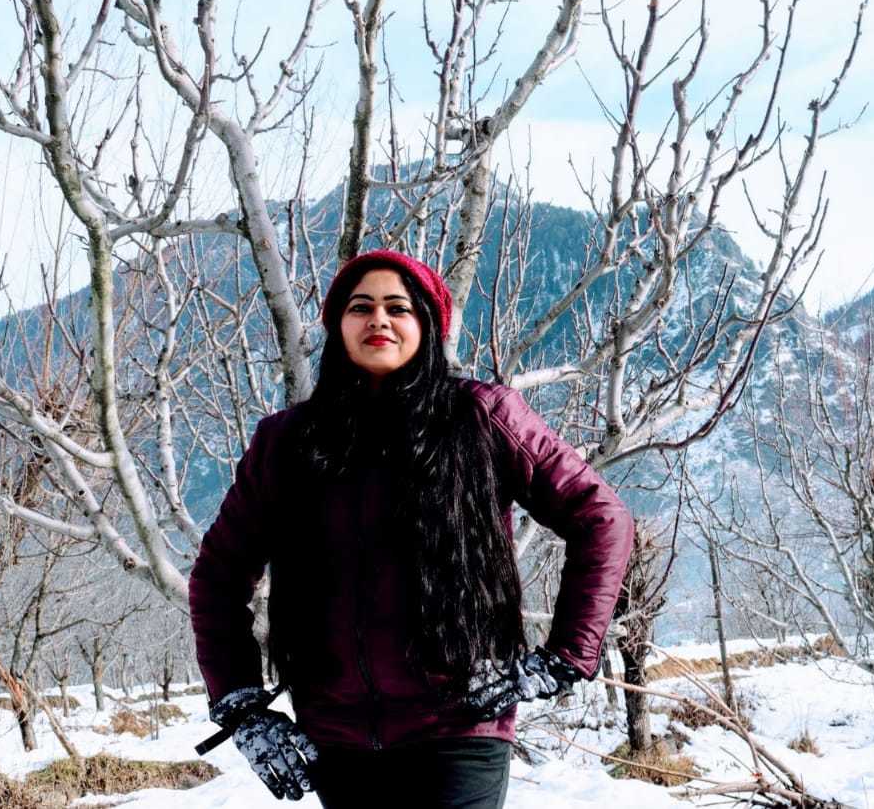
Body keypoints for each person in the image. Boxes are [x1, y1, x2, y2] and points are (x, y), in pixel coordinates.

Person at [188, 249, 635, 808]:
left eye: (397, 307)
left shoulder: (483, 416)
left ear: (426, 322)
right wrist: (242, 706)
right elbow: (218, 575)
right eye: (361, 307)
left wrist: (566, 656)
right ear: (338, 326)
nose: (378, 319)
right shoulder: (286, 442)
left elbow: (600, 516)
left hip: (461, 726)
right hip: (336, 739)